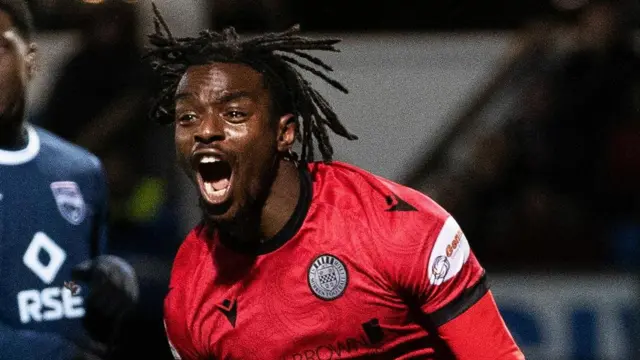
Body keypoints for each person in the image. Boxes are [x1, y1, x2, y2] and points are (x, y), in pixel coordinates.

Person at [146, 4, 524, 359]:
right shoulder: (189, 294)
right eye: (187, 118)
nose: (206, 130)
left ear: (284, 134)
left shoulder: (398, 228)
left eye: (233, 113)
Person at [0, 1, 138, 359]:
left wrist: (115, 280)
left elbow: (77, 283)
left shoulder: (80, 170)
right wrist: (59, 355)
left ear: (30, 59)